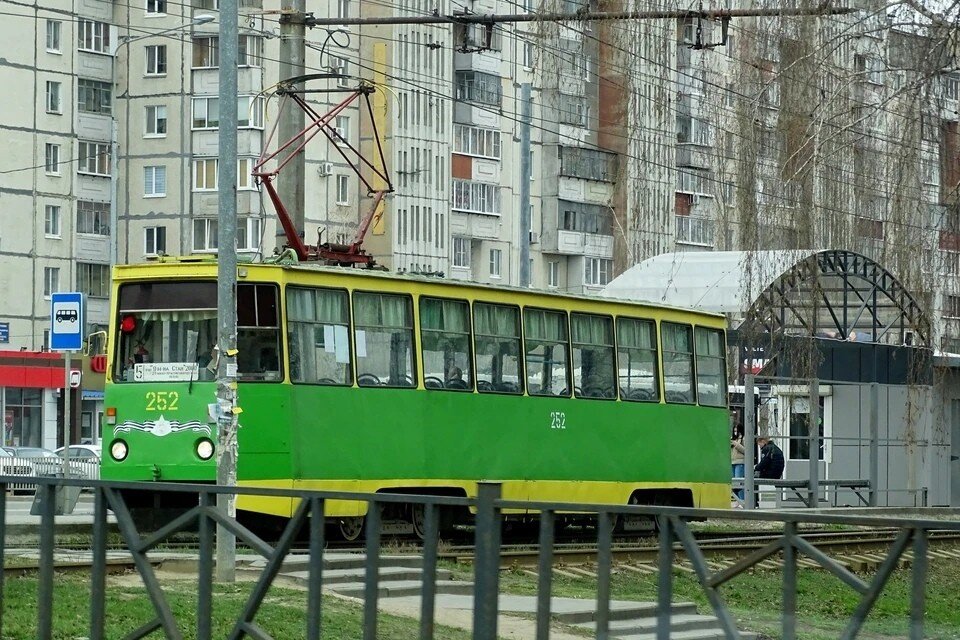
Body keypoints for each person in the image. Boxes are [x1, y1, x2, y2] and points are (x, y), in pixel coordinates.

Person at [754, 435, 785, 507]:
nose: (759, 446)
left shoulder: (766, 449)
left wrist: (755, 467)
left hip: (770, 474)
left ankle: (753, 502)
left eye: (759, 444)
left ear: (763, 441)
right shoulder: (776, 448)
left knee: (750, 478)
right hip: (777, 474)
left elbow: (763, 463)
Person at [730, 423, 745, 504]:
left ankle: (742, 500)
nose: (736, 432)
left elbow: (746, 450)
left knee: (739, 482)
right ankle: (737, 500)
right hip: (732, 462)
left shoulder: (743, 438)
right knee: (734, 484)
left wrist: (736, 445)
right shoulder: (733, 439)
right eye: (734, 430)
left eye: (737, 430)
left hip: (740, 462)